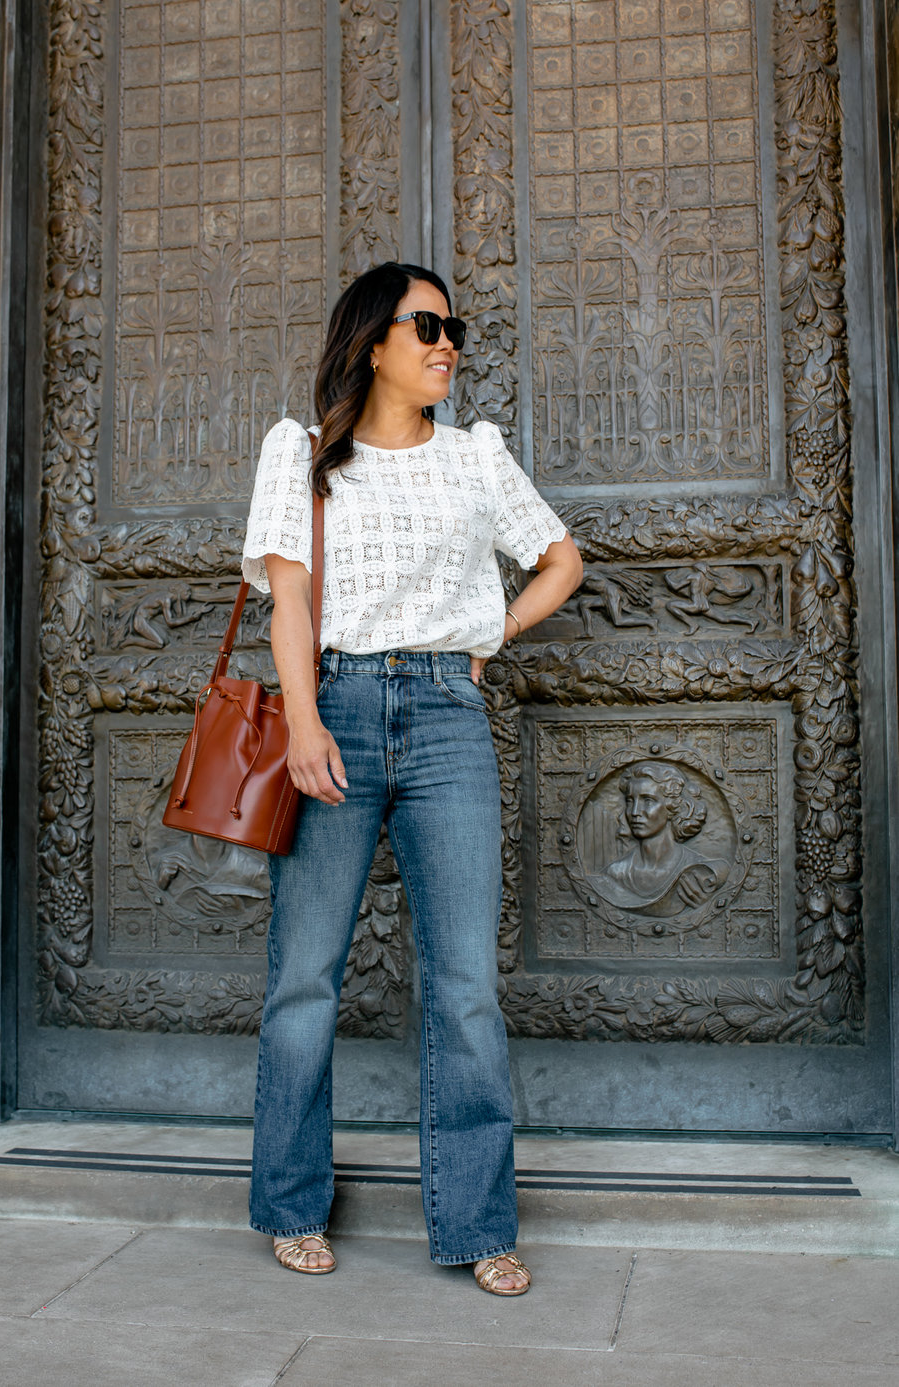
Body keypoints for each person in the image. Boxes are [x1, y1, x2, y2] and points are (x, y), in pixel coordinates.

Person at [242, 261, 583, 1296]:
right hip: (337, 707)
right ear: (374, 341)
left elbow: (561, 560)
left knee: (465, 984)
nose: (448, 344)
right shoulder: (302, 455)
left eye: (452, 327)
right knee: (305, 976)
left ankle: (478, 1223)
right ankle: (291, 1204)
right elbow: (291, 604)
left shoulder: (476, 457)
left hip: (446, 716)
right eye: (427, 325)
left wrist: (493, 631)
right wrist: (304, 720)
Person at [590, 761, 728, 916]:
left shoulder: (699, 872)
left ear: (672, 806)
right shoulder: (615, 873)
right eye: (630, 801)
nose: (635, 812)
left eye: (648, 801)